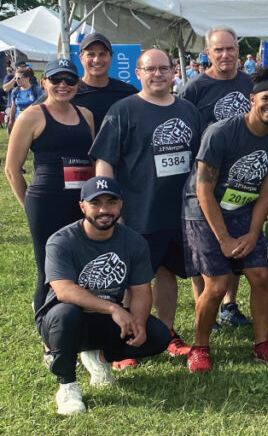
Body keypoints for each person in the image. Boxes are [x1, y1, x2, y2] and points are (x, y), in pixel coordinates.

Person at [89, 49, 202, 358]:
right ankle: (126, 338)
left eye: (163, 68)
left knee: (168, 273)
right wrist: (110, 207)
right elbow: (104, 161)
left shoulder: (188, 110)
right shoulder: (123, 110)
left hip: (181, 213)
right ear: (138, 73)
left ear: (173, 73)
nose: (158, 74)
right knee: (133, 279)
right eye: (150, 69)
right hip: (139, 212)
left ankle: (164, 334)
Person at [181, 67, 268, 372]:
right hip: (203, 211)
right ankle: (199, 347)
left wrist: (254, 233)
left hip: (243, 211)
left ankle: (261, 344)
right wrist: (224, 239)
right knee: (216, 285)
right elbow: (204, 189)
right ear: (252, 99)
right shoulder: (222, 132)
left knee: (261, 277)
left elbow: (267, 191)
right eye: (266, 98)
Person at [35, 176, 171, 415]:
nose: (104, 210)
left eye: (111, 202)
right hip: (61, 319)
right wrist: (113, 309)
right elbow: (64, 290)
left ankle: (99, 356)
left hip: (103, 320)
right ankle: (67, 386)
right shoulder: (61, 241)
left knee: (157, 335)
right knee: (67, 313)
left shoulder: (133, 241)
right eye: (95, 203)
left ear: (121, 205)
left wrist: (138, 320)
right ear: (82, 206)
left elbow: (141, 289)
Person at [5, 58, 95, 316]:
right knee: (49, 268)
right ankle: (48, 336)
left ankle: (77, 323)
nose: (63, 85)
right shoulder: (32, 116)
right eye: (56, 79)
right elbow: (12, 169)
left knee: (82, 262)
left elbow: (92, 158)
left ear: (77, 83)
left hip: (81, 201)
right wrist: (29, 206)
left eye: (69, 80)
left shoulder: (85, 115)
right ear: (44, 82)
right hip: (46, 201)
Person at [179, 26, 255, 329]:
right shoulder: (195, 88)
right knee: (203, 246)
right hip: (206, 176)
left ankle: (229, 305)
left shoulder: (250, 82)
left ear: (238, 49)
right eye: (218, 50)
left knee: (236, 238)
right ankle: (204, 307)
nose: (225, 55)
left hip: (242, 177)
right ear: (207, 53)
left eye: (230, 48)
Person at [34, 34, 139, 126]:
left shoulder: (127, 92)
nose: (97, 60)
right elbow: (32, 115)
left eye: (102, 54)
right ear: (81, 58)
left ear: (111, 57)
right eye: (91, 54)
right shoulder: (67, 91)